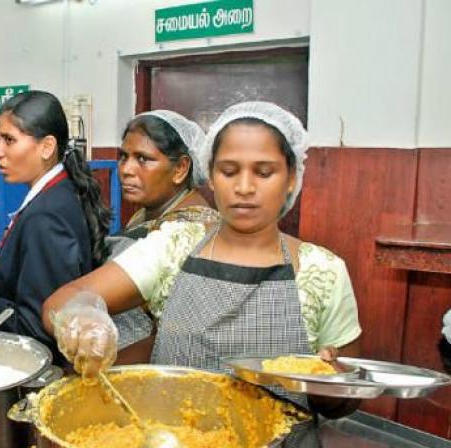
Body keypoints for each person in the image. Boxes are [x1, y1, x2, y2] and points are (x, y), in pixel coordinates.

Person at [44, 102, 362, 430]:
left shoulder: (323, 271)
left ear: (292, 178)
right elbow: (63, 300)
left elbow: (344, 402)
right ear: (210, 175)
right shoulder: (174, 245)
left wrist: (330, 386)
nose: (244, 188)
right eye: (228, 171)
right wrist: (83, 317)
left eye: (264, 172)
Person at [0, 91, 112, 355]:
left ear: (47, 147)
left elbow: (36, 329)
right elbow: (54, 279)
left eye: (9, 140)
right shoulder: (60, 190)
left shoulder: (46, 215)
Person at [110, 110, 221, 360]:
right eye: (123, 156)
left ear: (181, 168)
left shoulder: (191, 231)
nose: (126, 169)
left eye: (143, 159)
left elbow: (176, 334)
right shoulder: (144, 215)